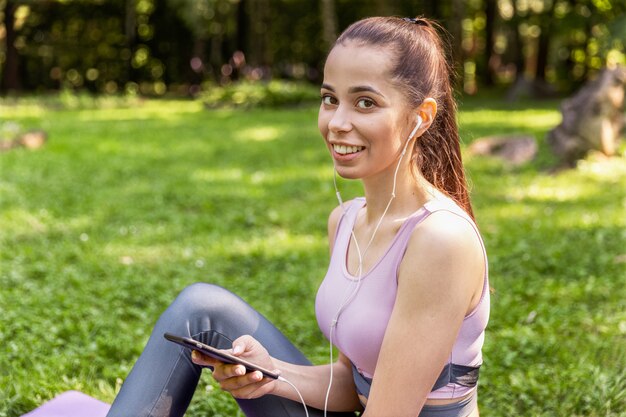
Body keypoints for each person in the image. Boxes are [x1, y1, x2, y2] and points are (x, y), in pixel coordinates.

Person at [106, 15, 489, 417]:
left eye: (365, 102)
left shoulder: (441, 240)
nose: (338, 123)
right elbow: (350, 386)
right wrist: (270, 372)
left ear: (421, 117)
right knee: (200, 306)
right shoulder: (345, 221)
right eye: (330, 99)